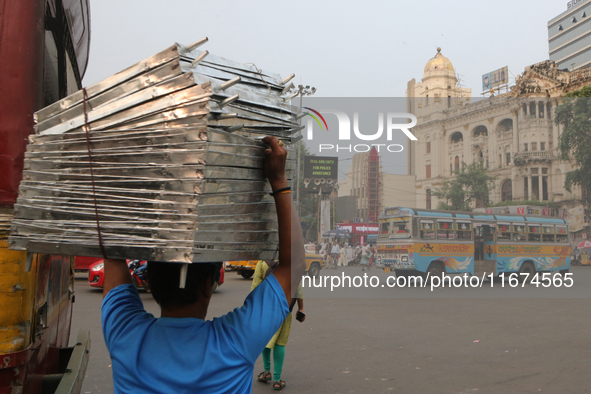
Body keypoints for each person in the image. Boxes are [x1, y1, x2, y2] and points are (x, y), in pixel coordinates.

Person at [100, 136, 306, 394]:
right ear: (209, 284)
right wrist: (278, 180)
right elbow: (295, 266)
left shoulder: (125, 336)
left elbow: (111, 249)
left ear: (149, 280)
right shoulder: (234, 342)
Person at [253, 261, 304, 390]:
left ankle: (266, 371)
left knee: (266, 340)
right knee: (280, 342)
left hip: (267, 309)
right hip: (286, 309)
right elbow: (298, 288)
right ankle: (277, 379)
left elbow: (255, 287)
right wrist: (301, 308)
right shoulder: (291, 262)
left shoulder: (262, 263)